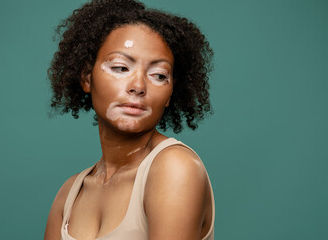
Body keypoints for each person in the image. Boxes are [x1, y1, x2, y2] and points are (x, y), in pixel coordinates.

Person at [44, 0, 215, 239]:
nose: (138, 86)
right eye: (121, 68)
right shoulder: (69, 195)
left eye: (158, 75)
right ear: (86, 78)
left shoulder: (175, 168)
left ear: (170, 93)